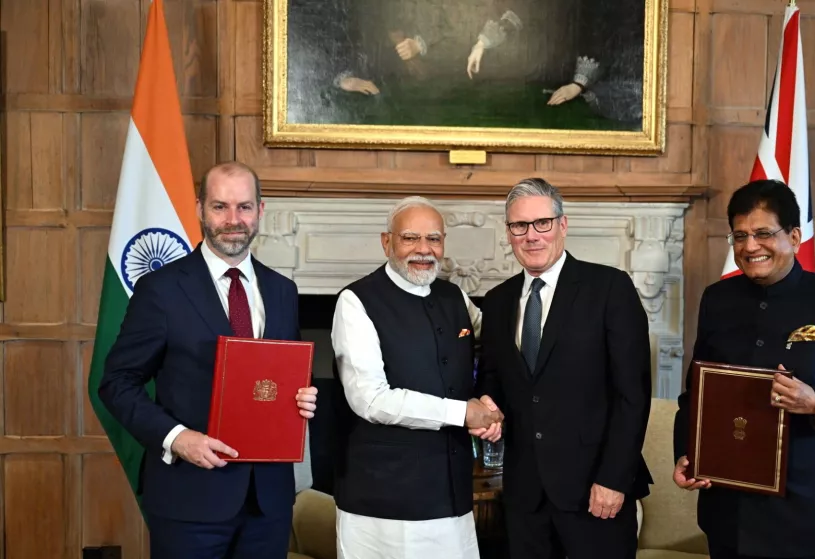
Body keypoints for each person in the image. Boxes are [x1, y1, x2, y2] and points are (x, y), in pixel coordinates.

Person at [672, 179, 815, 559]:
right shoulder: (717, 299)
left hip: (805, 513)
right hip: (729, 512)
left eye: (763, 233)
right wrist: (686, 453)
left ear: (795, 237)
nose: (750, 247)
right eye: (740, 236)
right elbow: (695, 393)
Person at [98, 162, 318, 559]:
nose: (233, 220)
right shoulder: (161, 290)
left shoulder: (282, 290)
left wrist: (303, 398)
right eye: (220, 207)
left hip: (267, 501)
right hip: (189, 498)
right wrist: (176, 438)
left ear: (261, 211)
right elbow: (117, 383)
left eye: (244, 207)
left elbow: (279, 377)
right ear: (199, 208)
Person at [475, 178, 653, 558]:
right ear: (508, 233)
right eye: (519, 226)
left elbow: (632, 396)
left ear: (563, 225)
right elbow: (494, 377)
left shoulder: (609, 288)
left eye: (542, 223)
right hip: (526, 496)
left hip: (595, 490)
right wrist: (488, 406)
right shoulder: (497, 301)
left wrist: (613, 479)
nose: (531, 236)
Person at [330, 196, 501, 559]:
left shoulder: (455, 296)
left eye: (434, 239)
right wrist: (463, 413)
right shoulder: (355, 301)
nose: (424, 250)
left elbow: (499, 347)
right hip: (381, 499)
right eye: (410, 238)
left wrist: (490, 400)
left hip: (451, 493)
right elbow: (371, 400)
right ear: (386, 241)